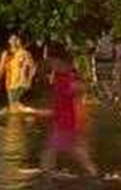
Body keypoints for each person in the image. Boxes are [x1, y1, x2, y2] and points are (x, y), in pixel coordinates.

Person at [41, 46, 98, 176]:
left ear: (62, 62)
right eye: (51, 63)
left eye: (53, 62)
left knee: (52, 150)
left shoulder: (66, 77)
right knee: (75, 150)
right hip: (65, 120)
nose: (51, 65)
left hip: (67, 121)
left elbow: (78, 89)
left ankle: (45, 174)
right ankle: (93, 173)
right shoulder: (60, 77)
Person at [0, 34, 37, 112]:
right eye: (10, 39)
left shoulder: (24, 53)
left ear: (18, 41)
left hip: (18, 84)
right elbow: (0, 69)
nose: (10, 41)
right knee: (14, 104)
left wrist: (29, 79)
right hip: (13, 83)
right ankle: (31, 111)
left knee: (13, 108)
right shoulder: (7, 54)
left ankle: (17, 117)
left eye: (13, 39)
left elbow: (33, 67)